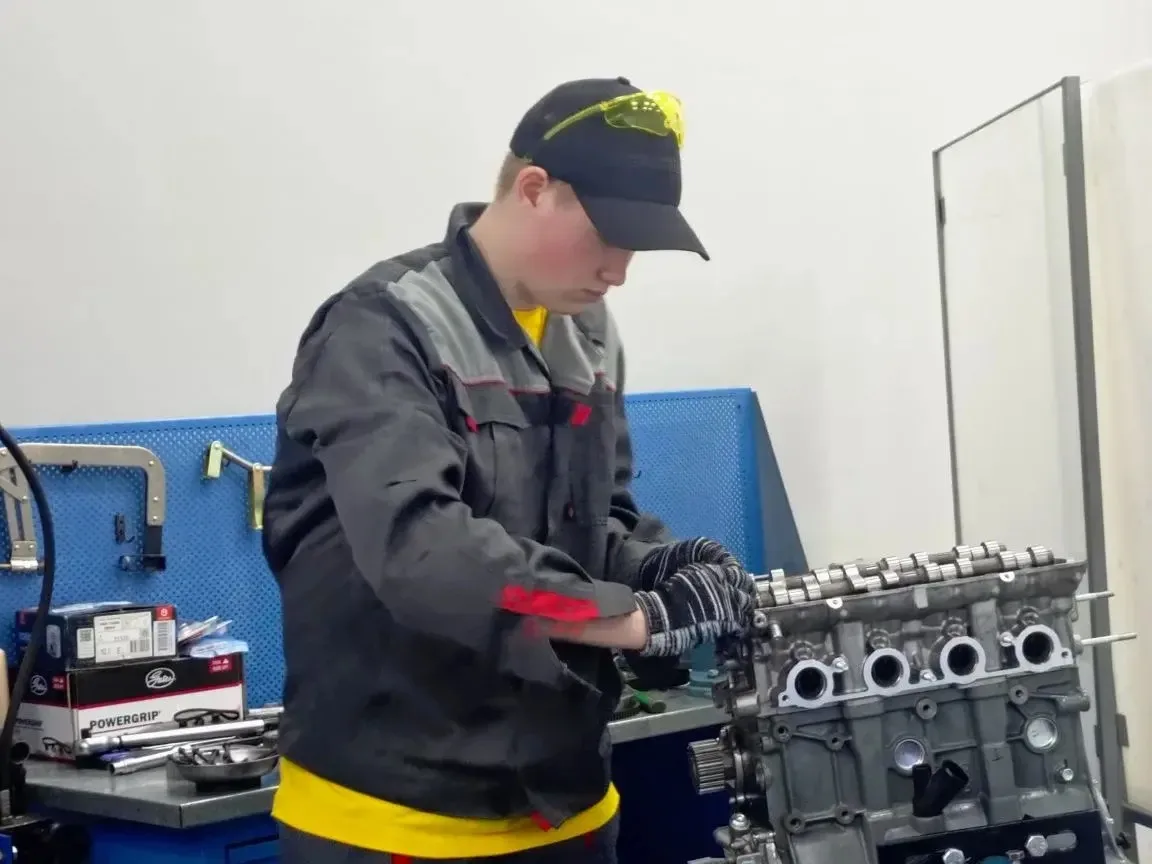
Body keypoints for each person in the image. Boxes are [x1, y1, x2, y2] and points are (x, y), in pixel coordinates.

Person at [261, 76, 757, 864]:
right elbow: (421, 551)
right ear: (534, 189)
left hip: (568, 811)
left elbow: (595, 522)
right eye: (608, 235)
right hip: (396, 824)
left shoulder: (587, 336)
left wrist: (659, 567)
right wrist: (628, 620)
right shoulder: (383, 328)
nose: (619, 270)